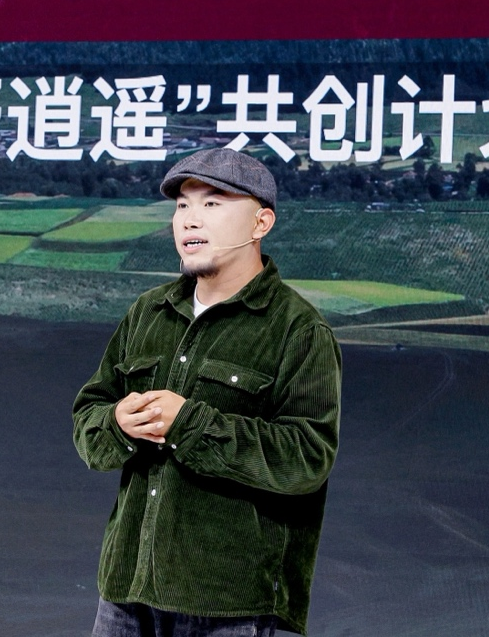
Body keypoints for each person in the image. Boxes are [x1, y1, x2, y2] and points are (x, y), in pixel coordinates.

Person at [73, 147, 342, 637]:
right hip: (125, 594)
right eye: (182, 205)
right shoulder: (148, 313)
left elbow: (306, 458)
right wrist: (116, 424)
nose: (190, 219)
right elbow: (89, 418)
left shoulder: (298, 330)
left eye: (213, 203)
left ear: (261, 223)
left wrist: (190, 425)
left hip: (228, 606)